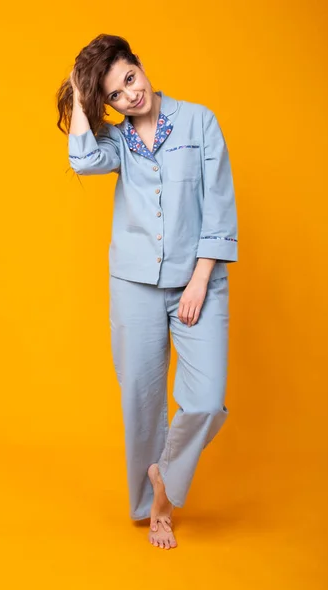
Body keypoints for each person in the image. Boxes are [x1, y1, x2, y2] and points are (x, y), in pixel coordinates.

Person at [56, 33, 238, 550]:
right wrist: (80, 96)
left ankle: (164, 485)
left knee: (203, 401)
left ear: (140, 65)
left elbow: (219, 204)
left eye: (130, 79)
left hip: (197, 280)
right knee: (141, 399)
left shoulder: (199, 122)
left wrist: (201, 277)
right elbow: (83, 161)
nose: (130, 96)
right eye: (115, 94)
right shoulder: (117, 141)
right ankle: (151, 510)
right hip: (133, 284)